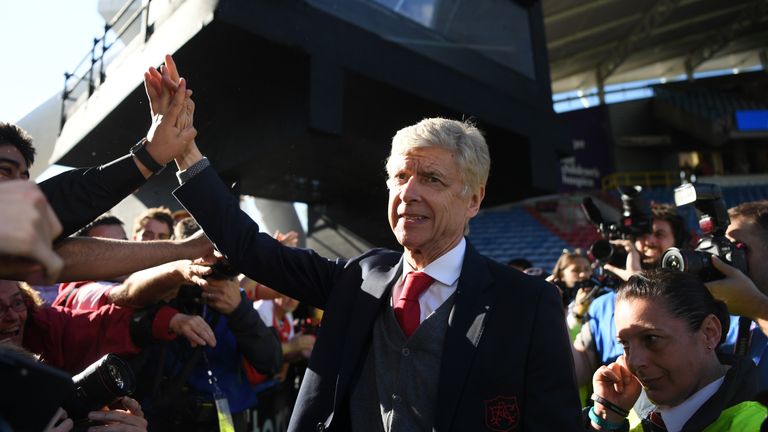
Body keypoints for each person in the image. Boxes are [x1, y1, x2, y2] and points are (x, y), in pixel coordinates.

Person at [157, 55, 580, 430]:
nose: (408, 193)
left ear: (474, 198)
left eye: (431, 179)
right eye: (399, 177)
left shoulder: (527, 304)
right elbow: (251, 249)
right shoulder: (361, 275)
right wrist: (186, 152)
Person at [585, 269, 766, 431]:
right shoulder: (627, 409)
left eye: (651, 339)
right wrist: (606, 422)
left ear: (709, 333)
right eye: (625, 344)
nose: (634, 362)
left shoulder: (755, 425)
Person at [573, 204, 691, 386]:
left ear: (677, 242)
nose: (649, 241)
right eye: (642, 235)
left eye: (659, 234)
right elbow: (578, 372)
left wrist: (640, 284)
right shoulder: (602, 306)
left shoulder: (695, 296)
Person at [0, 279, 216, 374]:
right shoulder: (83, 289)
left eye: (17, 302)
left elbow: (99, 325)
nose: (11, 315)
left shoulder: (45, 325)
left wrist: (166, 320)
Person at [706, 200, 768, 391]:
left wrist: (758, 309)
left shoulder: (748, 305)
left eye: (737, 248)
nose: (725, 259)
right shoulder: (724, 320)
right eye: (722, 248)